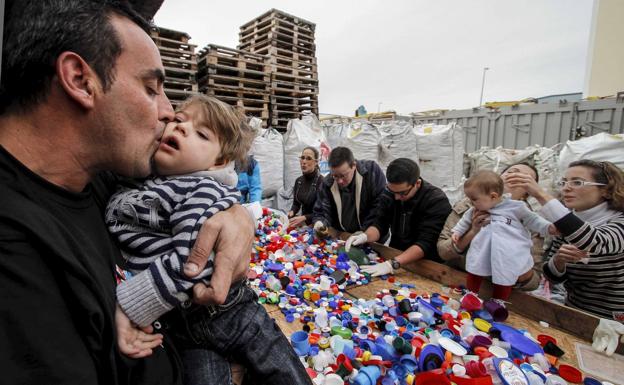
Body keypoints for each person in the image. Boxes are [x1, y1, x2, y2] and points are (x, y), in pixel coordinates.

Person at [0, 2, 253, 383]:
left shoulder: (103, 180)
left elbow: (194, 188)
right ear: (81, 80)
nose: (170, 112)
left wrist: (235, 218)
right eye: (151, 88)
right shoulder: (18, 255)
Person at [107, 95, 310, 385]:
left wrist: (131, 307)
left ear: (218, 162)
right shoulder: (140, 181)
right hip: (182, 326)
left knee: (284, 373)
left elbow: (192, 260)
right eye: (178, 120)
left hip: (232, 314)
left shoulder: (201, 188)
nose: (180, 128)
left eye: (201, 134)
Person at [505, 160, 624, 319]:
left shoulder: (618, 221)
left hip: (614, 319)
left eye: (577, 182)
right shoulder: (566, 222)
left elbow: (596, 241)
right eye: (564, 182)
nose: (566, 188)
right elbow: (551, 276)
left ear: (606, 191)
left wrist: (540, 194)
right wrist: (559, 260)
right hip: (575, 312)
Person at [437, 163, 546, 291]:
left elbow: (533, 282)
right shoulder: (469, 206)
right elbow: (443, 252)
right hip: (457, 280)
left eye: (524, 177)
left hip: (495, 289)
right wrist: (472, 231)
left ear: (527, 193)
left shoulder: (530, 221)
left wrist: (517, 264)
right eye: (511, 172)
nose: (515, 177)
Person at [345, 158, 452, 276]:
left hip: (426, 265)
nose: (396, 197)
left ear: (417, 183)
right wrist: (365, 236)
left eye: (402, 193)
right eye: (393, 191)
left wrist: (392, 264)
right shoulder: (390, 193)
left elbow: (426, 243)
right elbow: (380, 224)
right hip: (396, 254)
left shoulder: (436, 201)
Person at [312, 146, 386, 237]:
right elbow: (322, 211)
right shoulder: (327, 183)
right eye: (335, 176)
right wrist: (320, 222)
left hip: (371, 235)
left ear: (354, 165)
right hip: (343, 235)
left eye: (343, 176)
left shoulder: (371, 173)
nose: (339, 181)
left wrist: (365, 233)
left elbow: (380, 207)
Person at [288, 146, 324, 228]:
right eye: (302, 158)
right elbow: (296, 204)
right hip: (303, 221)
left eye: (308, 158)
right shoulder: (299, 181)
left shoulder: (321, 182)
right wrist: (292, 212)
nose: (304, 161)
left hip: (318, 224)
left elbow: (323, 212)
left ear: (316, 162)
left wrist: (304, 217)